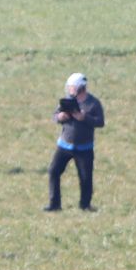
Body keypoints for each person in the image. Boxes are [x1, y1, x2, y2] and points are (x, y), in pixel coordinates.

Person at [46, 73, 104, 212]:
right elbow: (55, 116)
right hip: (64, 146)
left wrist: (84, 118)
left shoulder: (93, 103)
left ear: (80, 88)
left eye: (72, 87)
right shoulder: (67, 101)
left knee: (85, 178)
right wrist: (60, 117)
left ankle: (85, 206)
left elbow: (100, 122)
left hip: (84, 148)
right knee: (53, 171)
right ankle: (54, 204)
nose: (69, 89)